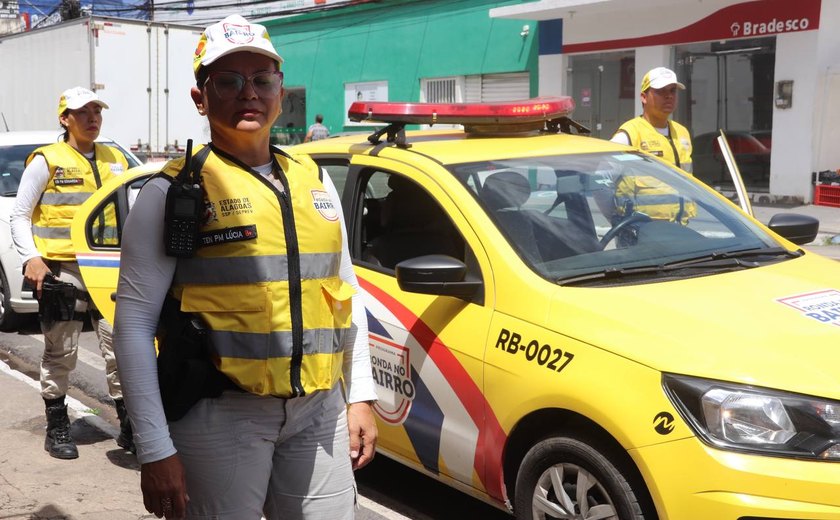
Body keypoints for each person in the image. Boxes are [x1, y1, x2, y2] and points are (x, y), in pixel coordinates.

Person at [112, 14, 377, 520]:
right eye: (229, 81)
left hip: (319, 410)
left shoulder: (315, 179)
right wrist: (154, 446)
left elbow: (346, 292)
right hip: (222, 414)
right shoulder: (170, 194)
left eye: (262, 80)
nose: (248, 93)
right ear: (200, 98)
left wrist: (359, 394)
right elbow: (133, 326)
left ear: (280, 90)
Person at [11, 86, 134, 459]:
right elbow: (19, 215)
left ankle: (130, 425)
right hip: (64, 270)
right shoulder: (46, 161)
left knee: (123, 350)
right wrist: (32, 257)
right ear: (65, 119)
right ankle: (58, 426)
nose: (92, 118)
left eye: (97, 111)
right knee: (61, 352)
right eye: (83, 112)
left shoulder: (117, 158)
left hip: (112, 270)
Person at [606, 67, 696, 226]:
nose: (669, 96)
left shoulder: (682, 133)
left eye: (673, 91)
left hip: (680, 227)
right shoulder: (629, 135)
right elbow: (602, 182)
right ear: (644, 97)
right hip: (641, 231)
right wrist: (617, 221)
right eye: (661, 91)